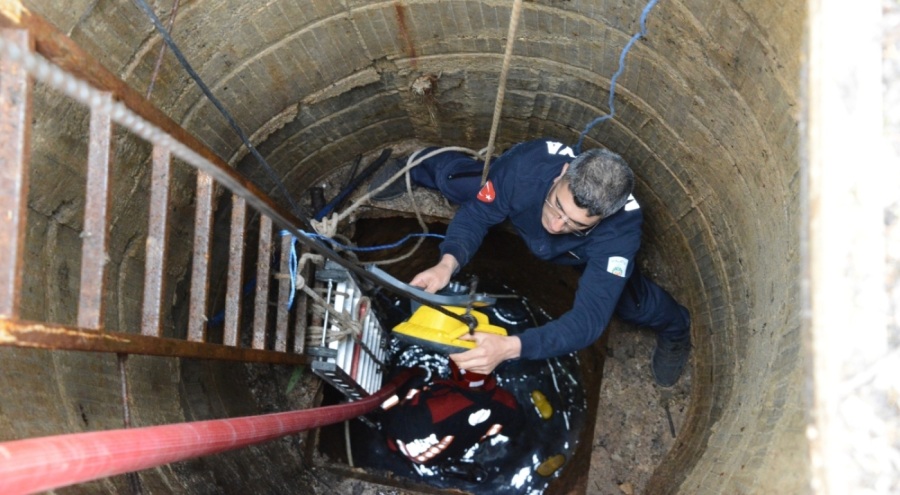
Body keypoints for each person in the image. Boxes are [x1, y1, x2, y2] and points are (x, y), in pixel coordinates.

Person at [371, 138, 692, 387]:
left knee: (633, 303)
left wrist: (511, 347)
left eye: (574, 223)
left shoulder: (618, 235)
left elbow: (588, 322)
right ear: (564, 172)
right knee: (460, 179)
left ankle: (677, 330)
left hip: (578, 254)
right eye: (557, 207)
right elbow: (478, 215)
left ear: (604, 217)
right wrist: (447, 263)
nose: (555, 225)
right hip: (522, 201)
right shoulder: (527, 166)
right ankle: (415, 166)